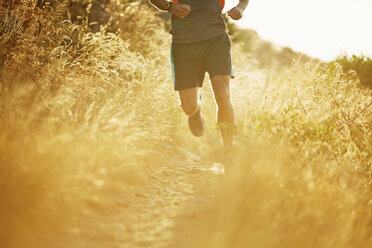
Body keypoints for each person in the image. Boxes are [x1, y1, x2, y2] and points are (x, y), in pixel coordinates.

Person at [149, 0, 249, 160]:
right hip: (184, 44)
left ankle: (230, 152)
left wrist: (241, 8)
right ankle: (196, 109)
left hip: (216, 39)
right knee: (189, 107)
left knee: (223, 95)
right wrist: (171, 7)